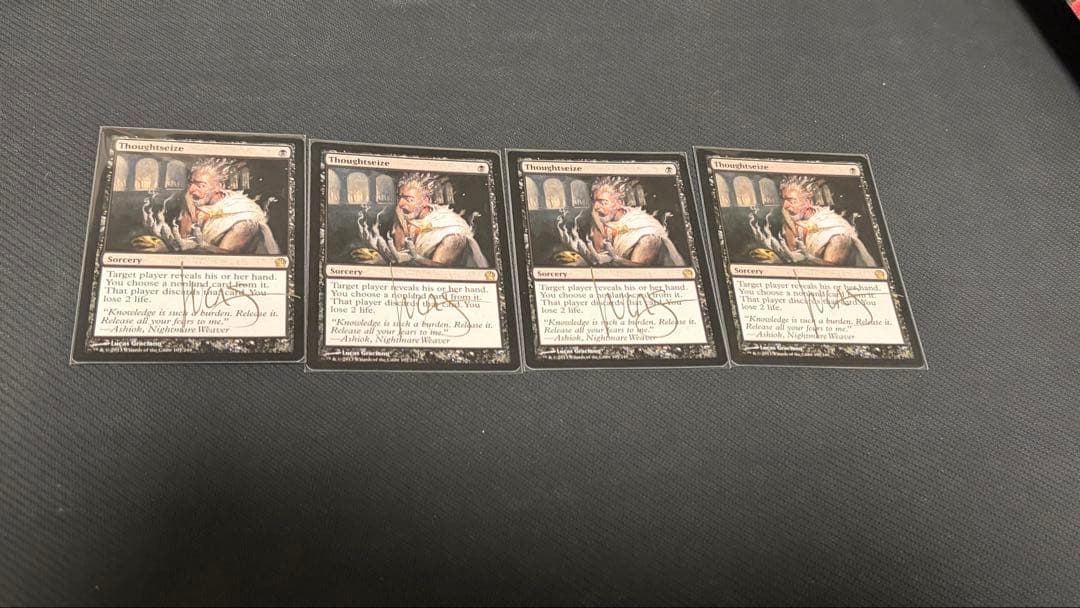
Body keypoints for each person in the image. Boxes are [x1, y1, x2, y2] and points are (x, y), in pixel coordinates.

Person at [138, 157, 279, 254]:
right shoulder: (193, 199)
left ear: (220, 186)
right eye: (191, 183)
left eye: (201, 185)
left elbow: (224, 259)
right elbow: (183, 239)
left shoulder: (244, 219)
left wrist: (171, 250)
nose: (191, 190)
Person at [362, 172, 487, 267]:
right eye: (400, 197)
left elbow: (439, 274)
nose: (400, 204)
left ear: (426, 201)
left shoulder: (452, 232)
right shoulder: (403, 213)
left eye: (409, 199)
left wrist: (415, 259)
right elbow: (398, 253)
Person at [772, 175, 874, 266]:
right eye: (784, 200)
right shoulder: (793, 218)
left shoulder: (837, 234)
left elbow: (834, 272)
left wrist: (808, 259)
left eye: (791, 201)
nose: (785, 206)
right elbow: (792, 254)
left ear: (808, 202)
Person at [586, 176, 684, 266]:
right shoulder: (605, 220)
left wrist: (615, 259)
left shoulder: (647, 233)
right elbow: (599, 255)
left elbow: (638, 273)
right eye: (595, 202)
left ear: (619, 203)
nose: (595, 207)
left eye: (603, 202)